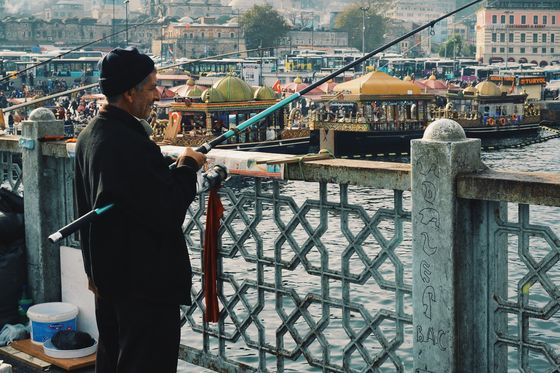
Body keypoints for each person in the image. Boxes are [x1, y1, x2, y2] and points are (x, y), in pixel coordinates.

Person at [74, 47, 206, 373]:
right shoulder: (128, 144)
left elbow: (100, 205)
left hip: (108, 281)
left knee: (113, 358)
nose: (157, 95)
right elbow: (165, 211)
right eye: (151, 87)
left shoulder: (91, 136)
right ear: (130, 92)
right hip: (144, 287)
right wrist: (188, 167)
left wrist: (92, 272)